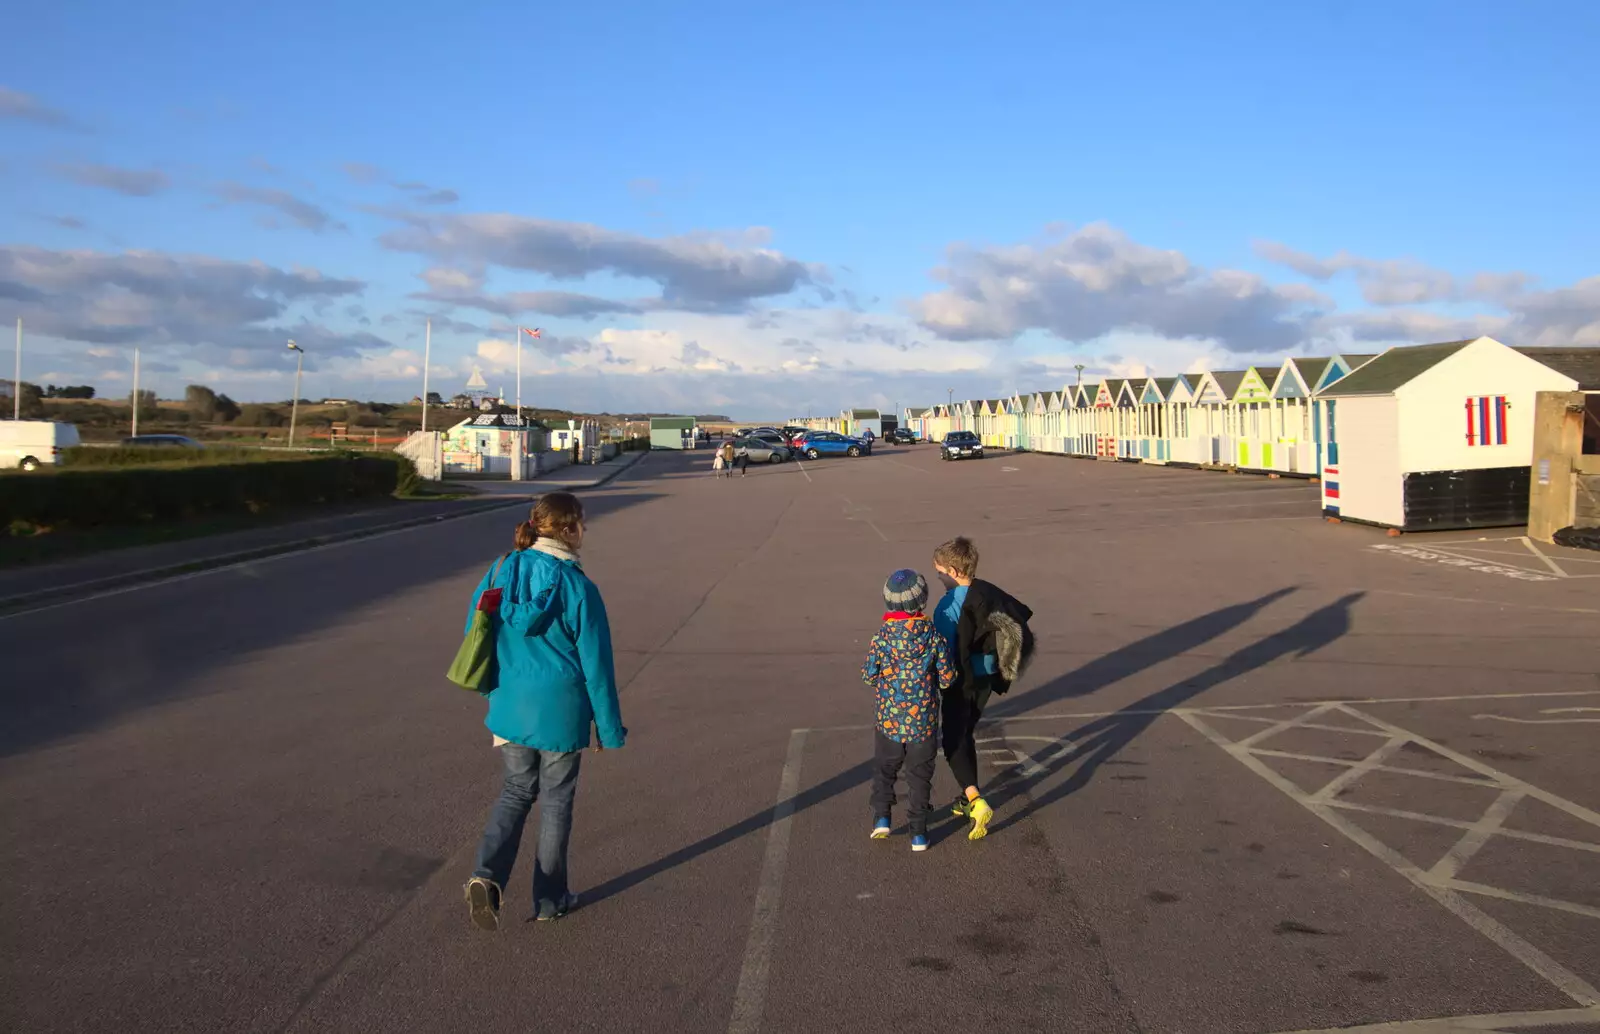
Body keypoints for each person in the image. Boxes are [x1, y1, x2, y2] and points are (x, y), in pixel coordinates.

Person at [462, 492, 627, 931]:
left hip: (511, 705)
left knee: (516, 792)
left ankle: (486, 875)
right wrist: (607, 729)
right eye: (582, 524)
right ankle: (551, 899)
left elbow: (475, 632)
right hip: (560, 712)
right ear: (568, 528)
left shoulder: (501, 569)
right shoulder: (577, 586)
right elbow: (596, 663)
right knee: (555, 804)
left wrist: (494, 689)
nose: (585, 531)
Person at [931, 536, 1034, 842]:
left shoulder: (948, 605)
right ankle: (966, 798)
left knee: (952, 740)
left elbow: (943, 647)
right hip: (987, 675)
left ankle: (976, 801)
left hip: (960, 678)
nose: (938, 577)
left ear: (952, 570)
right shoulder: (987, 591)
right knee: (967, 732)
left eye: (939, 572)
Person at [862, 569, 954, 852]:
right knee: (919, 775)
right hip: (923, 722)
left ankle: (882, 817)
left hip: (889, 720)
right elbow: (948, 678)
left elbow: (868, 676)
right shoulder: (933, 637)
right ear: (922, 602)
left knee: (885, 768)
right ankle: (918, 833)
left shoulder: (881, 638)